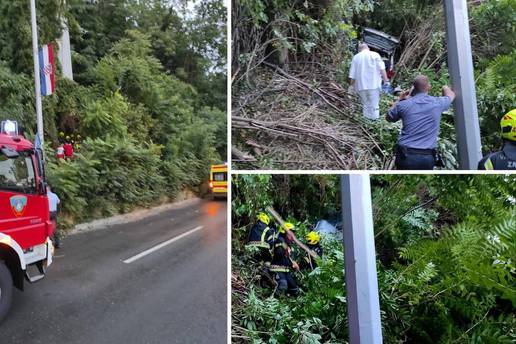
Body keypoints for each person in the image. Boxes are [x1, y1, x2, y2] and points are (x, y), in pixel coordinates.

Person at [386, 75, 456, 170]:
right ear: (428, 87)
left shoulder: (403, 105)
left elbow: (389, 117)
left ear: (413, 88)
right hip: (426, 157)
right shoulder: (437, 103)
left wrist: (399, 99)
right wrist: (444, 87)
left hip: (406, 156)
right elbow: (451, 95)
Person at [348, 43, 390, 120]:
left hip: (361, 86)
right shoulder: (375, 55)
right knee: (374, 106)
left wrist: (351, 86)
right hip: (374, 85)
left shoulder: (356, 57)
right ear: (368, 48)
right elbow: (382, 69)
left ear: (359, 50)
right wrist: (386, 81)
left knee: (365, 106)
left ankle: (366, 123)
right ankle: (374, 123)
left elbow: (352, 75)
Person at [270, 222, 300, 297]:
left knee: (295, 289)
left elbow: (287, 259)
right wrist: (286, 250)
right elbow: (279, 253)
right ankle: (273, 301)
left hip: (285, 271)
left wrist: (293, 264)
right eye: (291, 233)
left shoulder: (287, 244)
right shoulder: (280, 241)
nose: (293, 235)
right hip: (277, 270)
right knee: (283, 285)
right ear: (284, 232)